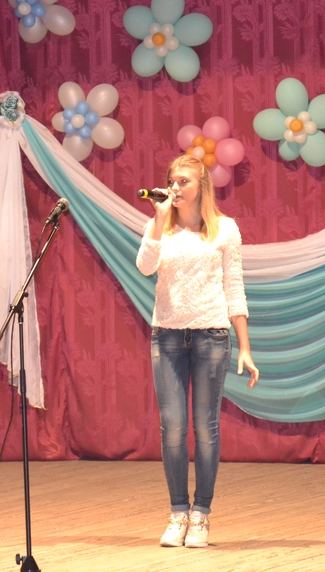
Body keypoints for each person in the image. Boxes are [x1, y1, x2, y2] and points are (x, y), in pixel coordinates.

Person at [135, 153, 259, 548]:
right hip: (167, 337)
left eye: (183, 181)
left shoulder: (225, 229)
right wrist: (158, 220)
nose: (174, 187)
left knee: (205, 428)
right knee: (172, 426)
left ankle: (201, 514)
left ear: (202, 186)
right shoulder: (160, 226)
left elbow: (234, 288)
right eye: (171, 180)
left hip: (211, 336)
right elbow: (145, 266)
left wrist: (245, 347)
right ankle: (178, 513)